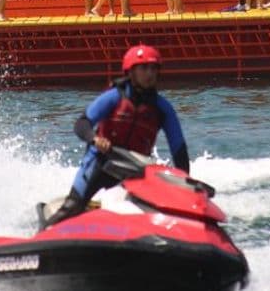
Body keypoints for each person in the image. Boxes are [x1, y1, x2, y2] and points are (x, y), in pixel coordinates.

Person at [43, 45, 189, 226]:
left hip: (135, 168)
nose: (150, 74)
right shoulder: (114, 97)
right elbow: (82, 124)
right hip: (101, 162)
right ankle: (40, 236)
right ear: (131, 72)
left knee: (151, 214)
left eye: (154, 69)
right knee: (73, 207)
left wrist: (185, 183)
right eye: (144, 68)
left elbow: (179, 149)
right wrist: (94, 139)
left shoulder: (163, 109)